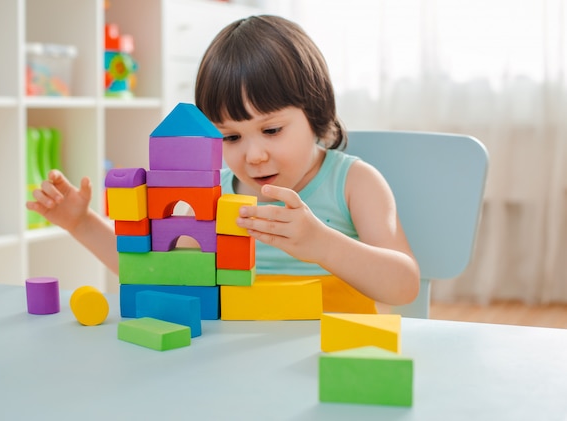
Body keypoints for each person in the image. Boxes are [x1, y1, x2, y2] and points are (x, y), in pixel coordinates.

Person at [26, 15, 420, 313]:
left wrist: (322, 244)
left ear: (314, 111)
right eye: (231, 136)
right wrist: (82, 223)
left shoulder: (354, 183)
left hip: (330, 358)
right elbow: (156, 270)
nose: (254, 155)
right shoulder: (211, 193)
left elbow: (404, 285)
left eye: (272, 130)